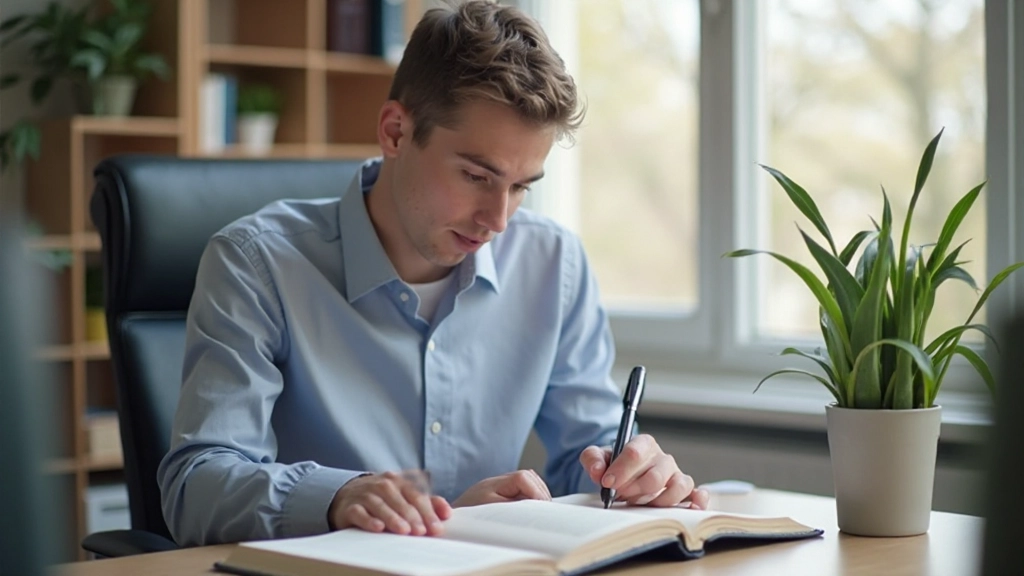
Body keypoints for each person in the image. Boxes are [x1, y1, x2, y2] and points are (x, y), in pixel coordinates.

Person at [157, 0, 709, 547]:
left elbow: (584, 456)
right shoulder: (257, 263)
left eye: (521, 187)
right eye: (476, 176)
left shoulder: (553, 265)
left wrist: (632, 477)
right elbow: (196, 486)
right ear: (396, 132)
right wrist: (338, 497)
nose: (498, 219)